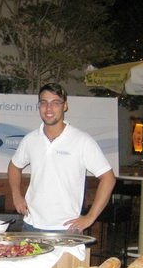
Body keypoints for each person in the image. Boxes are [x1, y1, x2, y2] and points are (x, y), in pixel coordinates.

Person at [8, 83, 116, 232]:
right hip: (31, 225)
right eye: (44, 103)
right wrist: (16, 195)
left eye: (55, 103)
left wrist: (90, 217)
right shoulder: (30, 139)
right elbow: (14, 166)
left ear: (65, 106)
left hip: (66, 228)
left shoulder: (82, 140)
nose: (48, 109)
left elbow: (108, 178)